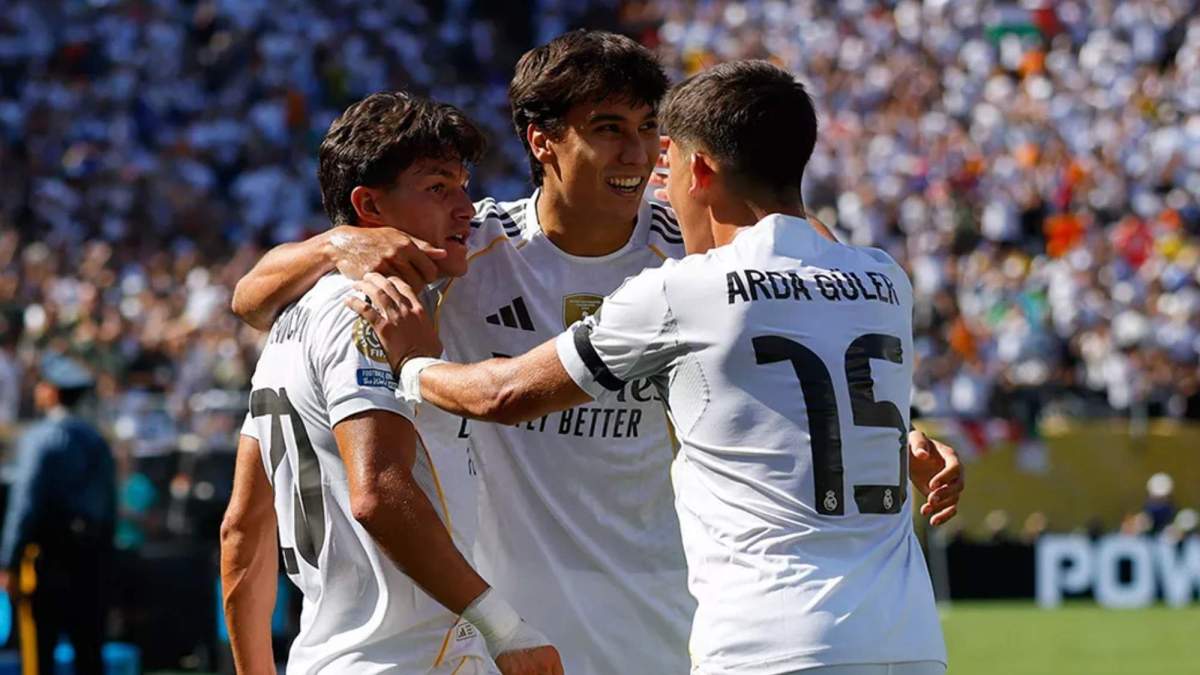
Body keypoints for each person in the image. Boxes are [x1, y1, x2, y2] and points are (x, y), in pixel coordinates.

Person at [231, 31, 963, 674]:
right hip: (520, 626)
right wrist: (332, 244)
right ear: (540, 140)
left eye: (649, 129)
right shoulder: (473, 249)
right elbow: (254, 301)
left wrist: (899, 430)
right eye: (608, 128)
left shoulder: (693, 250)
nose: (637, 155)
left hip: (678, 612)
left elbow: (819, 302)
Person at [218, 91, 561, 675]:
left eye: (462, 185)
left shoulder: (288, 324)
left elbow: (241, 534)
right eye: (438, 188)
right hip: (410, 660)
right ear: (369, 206)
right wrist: (506, 630)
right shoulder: (367, 311)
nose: (467, 209)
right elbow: (378, 493)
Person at [0, 354, 116, 675]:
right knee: (89, 653)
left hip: (46, 562)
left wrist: (9, 561)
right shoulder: (97, 441)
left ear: (51, 393)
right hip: (91, 562)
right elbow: (109, 508)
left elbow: (25, 505)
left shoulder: (38, 440)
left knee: (40, 653)